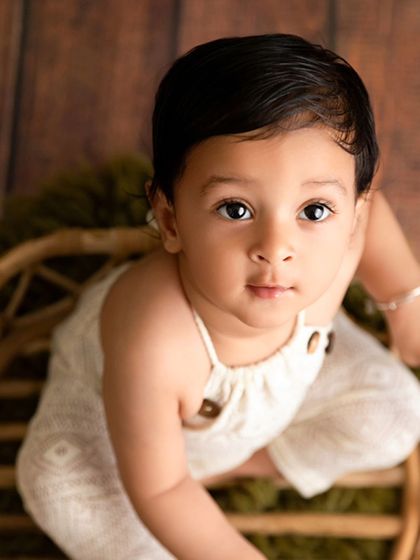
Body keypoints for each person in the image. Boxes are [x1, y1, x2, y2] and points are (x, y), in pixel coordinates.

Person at [16, 34, 420, 560]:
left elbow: (376, 213)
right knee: (60, 487)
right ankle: (196, 481)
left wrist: (405, 301)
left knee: (400, 413)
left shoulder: (344, 242)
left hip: (285, 389)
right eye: (236, 209)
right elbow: (158, 490)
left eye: (314, 210)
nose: (276, 250)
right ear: (170, 220)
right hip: (126, 432)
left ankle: (240, 465)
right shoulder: (154, 338)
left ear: (350, 212)